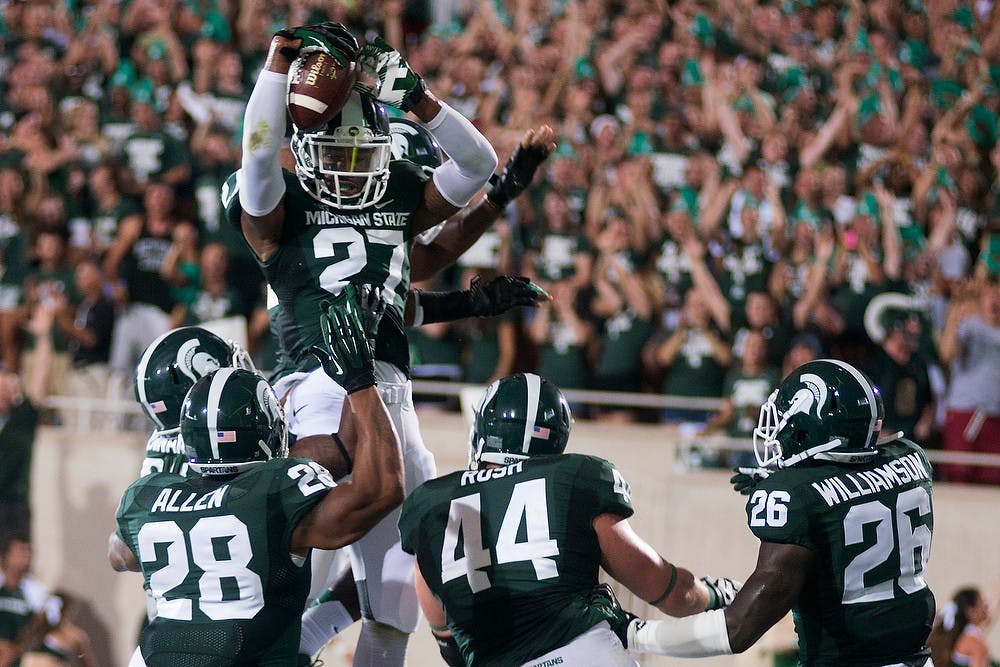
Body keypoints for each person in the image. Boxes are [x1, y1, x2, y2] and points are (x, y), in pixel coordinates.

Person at [225, 22, 550, 664]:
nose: (348, 167)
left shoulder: (394, 193)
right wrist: (276, 64)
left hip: (391, 390)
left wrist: (423, 102)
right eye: (335, 151)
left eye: (359, 151)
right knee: (300, 560)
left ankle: (301, 643)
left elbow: (474, 173)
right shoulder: (279, 201)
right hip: (314, 386)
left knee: (398, 596)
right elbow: (259, 155)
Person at [108, 286, 405, 666]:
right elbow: (379, 486)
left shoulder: (147, 489)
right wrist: (359, 376)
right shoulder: (274, 487)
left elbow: (120, 554)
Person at [398, 372, 741, 667]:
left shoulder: (430, 503)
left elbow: (446, 637)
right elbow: (669, 592)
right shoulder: (576, 476)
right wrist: (718, 594)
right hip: (585, 653)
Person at [616, 359, 936, 667]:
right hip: (916, 658)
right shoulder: (911, 459)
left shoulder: (796, 497)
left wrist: (637, 634)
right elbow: (855, 485)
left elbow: (738, 628)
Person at [0, 536, 61, 667]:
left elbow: (49, 620)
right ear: (5, 556)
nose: (26, 556)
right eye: (21, 551)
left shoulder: (36, 591)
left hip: (21, 650)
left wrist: (14, 650)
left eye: (29, 552)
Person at [927, 587, 997, 667]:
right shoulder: (975, 643)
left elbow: (988, 623)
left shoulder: (956, 635)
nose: (987, 608)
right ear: (971, 611)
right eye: (983, 604)